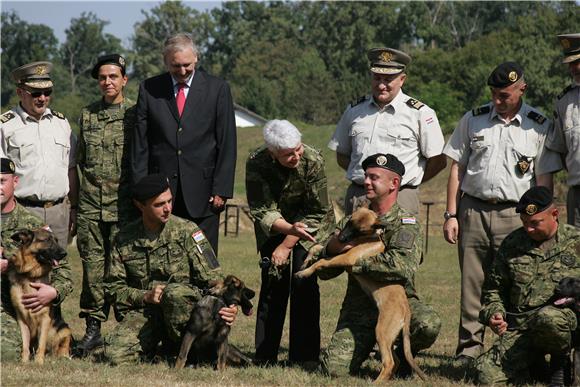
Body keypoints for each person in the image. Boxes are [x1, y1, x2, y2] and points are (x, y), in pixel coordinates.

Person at [443, 62, 563, 365]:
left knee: (518, 283)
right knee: (472, 283)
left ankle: (515, 350)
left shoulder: (537, 124)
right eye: (494, 94)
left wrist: (541, 218)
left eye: (505, 95)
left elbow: (543, 179)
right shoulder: (474, 119)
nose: (498, 100)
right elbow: (456, 169)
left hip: (516, 214)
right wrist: (450, 214)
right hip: (473, 210)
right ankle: (469, 350)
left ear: (522, 88)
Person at [320, 153, 441, 379]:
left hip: (396, 301)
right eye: (366, 176)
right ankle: (370, 345)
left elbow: (400, 267)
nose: (366, 181)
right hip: (359, 307)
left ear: (394, 184)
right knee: (334, 370)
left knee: (428, 323)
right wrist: (332, 250)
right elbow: (325, 272)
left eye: (374, 177)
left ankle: (400, 355)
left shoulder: (407, 223)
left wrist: (353, 261)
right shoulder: (354, 220)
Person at [104, 174, 238, 365]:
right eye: (159, 204)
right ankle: (161, 351)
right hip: (147, 313)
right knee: (115, 355)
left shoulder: (188, 231)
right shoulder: (123, 239)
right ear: (140, 205)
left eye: (169, 201)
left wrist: (229, 306)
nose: (168, 209)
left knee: (173, 293)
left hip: (187, 314)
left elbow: (215, 277)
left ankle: (189, 350)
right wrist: (145, 296)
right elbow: (112, 289)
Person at [132, 32, 237, 254]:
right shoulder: (149, 89)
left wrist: (222, 189)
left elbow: (227, 143)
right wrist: (141, 190)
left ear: (196, 58)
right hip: (161, 194)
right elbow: (140, 144)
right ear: (165, 61)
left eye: (186, 65)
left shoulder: (217, 89)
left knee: (205, 258)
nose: (181, 71)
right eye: (175, 66)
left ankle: (205, 291)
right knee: (165, 256)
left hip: (204, 193)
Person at [245, 119, 335, 366]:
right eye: (288, 154)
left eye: (298, 149)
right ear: (273, 153)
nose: (296, 156)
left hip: (311, 226)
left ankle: (305, 357)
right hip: (275, 226)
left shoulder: (313, 160)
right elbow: (262, 209)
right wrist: (285, 233)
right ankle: (265, 355)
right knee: (273, 280)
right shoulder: (257, 162)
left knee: (304, 281)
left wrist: (287, 244)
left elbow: (317, 210)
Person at [474, 186, 580, 386]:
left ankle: (560, 365)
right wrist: (495, 313)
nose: (529, 229)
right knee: (486, 377)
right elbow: (493, 290)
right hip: (522, 329)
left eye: (535, 223)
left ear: (555, 214)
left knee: (548, 318)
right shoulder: (513, 243)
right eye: (524, 223)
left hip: (565, 328)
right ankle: (534, 365)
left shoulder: (576, 241)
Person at [328, 47, 446, 215]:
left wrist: (404, 184)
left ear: (402, 79)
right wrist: (369, 180)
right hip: (360, 197)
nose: (381, 85)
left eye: (388, 79)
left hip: (400, 197)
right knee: (351, 242)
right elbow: (342, 155)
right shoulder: (354, 111)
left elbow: (438, 161)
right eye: (377, 78)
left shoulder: (420, 113)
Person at [75, 54, 137, 355]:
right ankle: (93, 329)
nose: (107, 82)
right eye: (102, 77)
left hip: (124, 207)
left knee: (124, 269)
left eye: (113, 76)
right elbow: (80, 161)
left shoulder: (135, 114)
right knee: (92, 270)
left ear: (124, 79)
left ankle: (127, 330)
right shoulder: (86, 115)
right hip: (90, 207)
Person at [0, 157, 73, 361]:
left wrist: (54, 292)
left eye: (2, 181)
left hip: (9, 309)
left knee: (5, 352)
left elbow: (64, 270)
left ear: (15, 182)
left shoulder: (33, 224)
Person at [0, 61, 79, 250]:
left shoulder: (61, 124)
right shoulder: (6, 126)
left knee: (60, 272)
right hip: (21, 212)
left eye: (47, 92)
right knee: (23, 273)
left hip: (59, 213)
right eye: (35, 93)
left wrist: (74, 208)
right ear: (20, 92)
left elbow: (71, 169)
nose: (42, 98)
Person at [546, 33, 580, 227]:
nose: (574, 68)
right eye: (570, 63)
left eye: (578, 61)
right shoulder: (563, 102)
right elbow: (562, 149)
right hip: (577, 194)